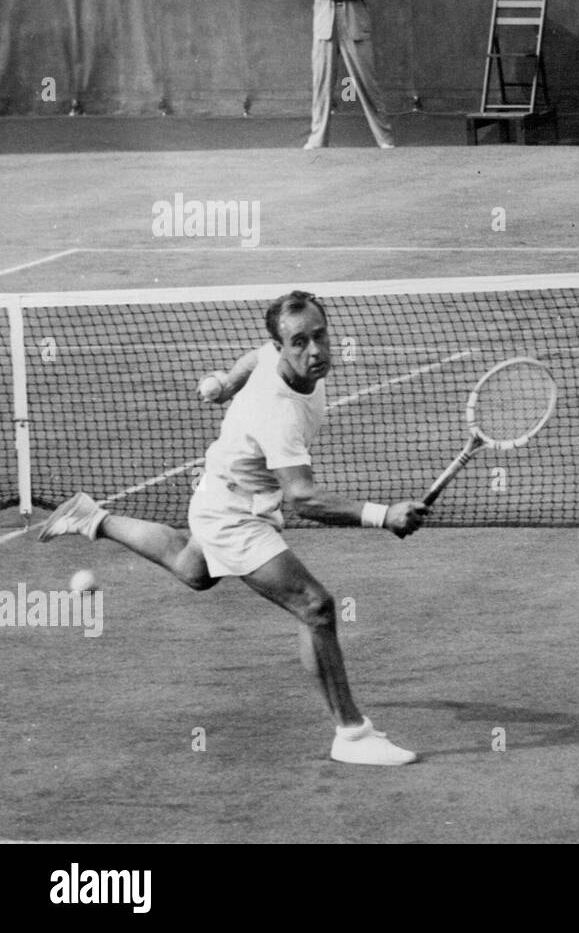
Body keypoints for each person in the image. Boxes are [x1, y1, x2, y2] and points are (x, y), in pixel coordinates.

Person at [38, 291, 429, 765]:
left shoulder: (281, 358)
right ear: (283, 345)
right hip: (233, 512)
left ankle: (91, 517)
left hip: (225, 486)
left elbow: (254, 358)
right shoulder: (278, 412)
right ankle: (351, 734)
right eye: (299, 342)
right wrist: (381, 515)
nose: (315, 351)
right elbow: (303, 498)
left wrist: (225, 382)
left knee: (194, 569)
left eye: (320, 335)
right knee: (316, 606)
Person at [302, 0, 396, 149]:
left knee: (367, 84)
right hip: (325, 25)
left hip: (354, 25)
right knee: (321, 84)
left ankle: (384, 139)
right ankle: (317, 139)